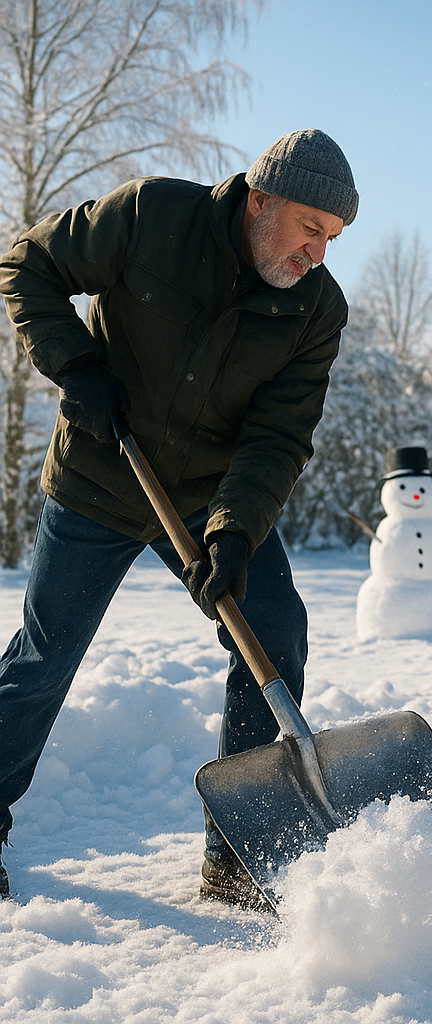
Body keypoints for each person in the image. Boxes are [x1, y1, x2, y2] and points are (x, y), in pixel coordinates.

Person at [0, 130, 357, 906]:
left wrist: (233, 531)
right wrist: (76, 363)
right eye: (309, 228)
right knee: (45, 655)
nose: (318, 253)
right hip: (102, 472)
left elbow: (278, 436)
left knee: (273, 632)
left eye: (332, 238)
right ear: (260, 199)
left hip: (205, 496)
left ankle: (238, 847)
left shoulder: (316, 310)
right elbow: (27, 263)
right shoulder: (152, 215)